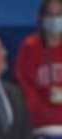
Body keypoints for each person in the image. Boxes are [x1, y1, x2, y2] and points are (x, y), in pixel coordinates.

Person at [15, 0, 62, 128]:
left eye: (59, 15)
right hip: (40, 124)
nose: (54, 20)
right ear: (41, 18)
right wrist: (43, 114)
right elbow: (24, 84)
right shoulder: (30, 47)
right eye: (50, 15)